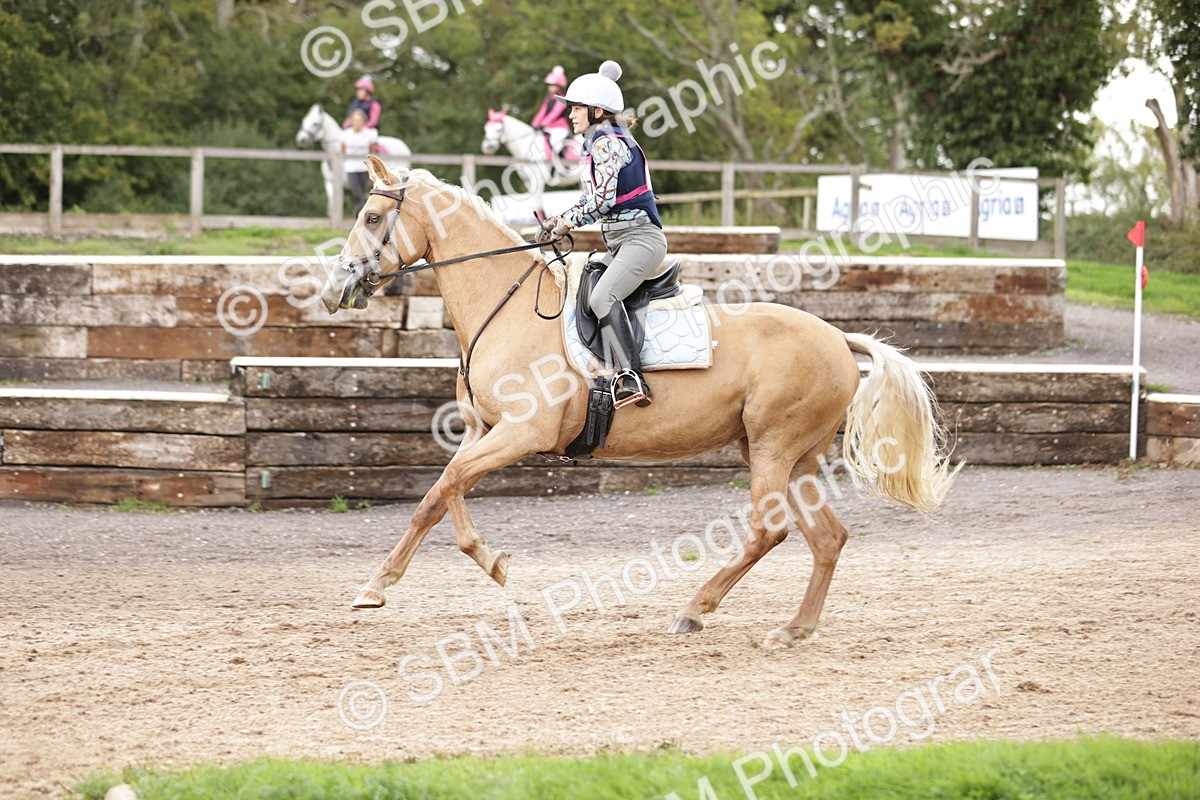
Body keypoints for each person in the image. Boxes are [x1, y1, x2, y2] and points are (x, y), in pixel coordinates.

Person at [539, 60, 667, 410]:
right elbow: (591, 198)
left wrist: (567, 223)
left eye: (576, 108)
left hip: (640, 240)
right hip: (622, 241)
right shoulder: (597, 141)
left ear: (597, 111)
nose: (570, 115)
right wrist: (556, 220)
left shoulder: (606, 143)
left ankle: (631, 377)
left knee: (601, 298)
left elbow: (602, 200)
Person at [341, 109, 379, 218]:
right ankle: (362, 212)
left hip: (364, 167)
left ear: (363, 121)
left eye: (359, 120)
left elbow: (371, 150)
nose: (357, 123)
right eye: (355, 120)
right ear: (352, 121)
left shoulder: (369, 134)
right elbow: (342, 150)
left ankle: (359, 214)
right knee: (357, 192)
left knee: (362, 191)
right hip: (351, 167)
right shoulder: (346, 134)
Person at [529, 66, 572, 161]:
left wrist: (542, 124)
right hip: (548, 128)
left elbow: (554, 114)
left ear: (559, 86)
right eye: (549, 85)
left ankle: (559, 164)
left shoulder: (562, 99)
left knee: (555, 142)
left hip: (559, 128)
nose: (550, 87)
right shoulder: (548, 99)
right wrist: (534, 124)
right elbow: (542, 113)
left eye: (553, 85)